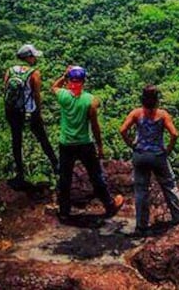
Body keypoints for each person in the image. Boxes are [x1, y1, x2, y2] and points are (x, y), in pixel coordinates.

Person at [51, 65, 124, 220]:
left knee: (65, 178)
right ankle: (109, 205)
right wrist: (100, 146)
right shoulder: (91, 101)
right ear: (83, 82)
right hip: (85, 143)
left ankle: (64, 211)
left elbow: (55, 86)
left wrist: (64, 75)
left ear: (70, 81)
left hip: (66, 143)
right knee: (95, 175)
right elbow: (95, 126)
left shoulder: (63, 96)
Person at [119, 85, 179, 236]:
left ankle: (141, 226)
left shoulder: (137, 113)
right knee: (169, 186)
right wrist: (167, 150)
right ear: (157, 100)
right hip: (157, 155)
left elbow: (122, 130)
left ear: (142, 99)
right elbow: (174, 134)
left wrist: (132, 145)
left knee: (141, 190)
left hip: (141, 155)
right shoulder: (162, 115)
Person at [3, 44, 58, 189]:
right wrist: (38, 112)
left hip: (12, 111)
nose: (35, 58)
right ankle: (56, 166)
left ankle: (20, 173)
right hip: (29, 111)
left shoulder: (10, 70)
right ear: (28, 57)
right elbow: (36, 95)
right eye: (33, 56)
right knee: (42, 138)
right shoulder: (34, 73)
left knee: (16, 140)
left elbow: (5, 90)